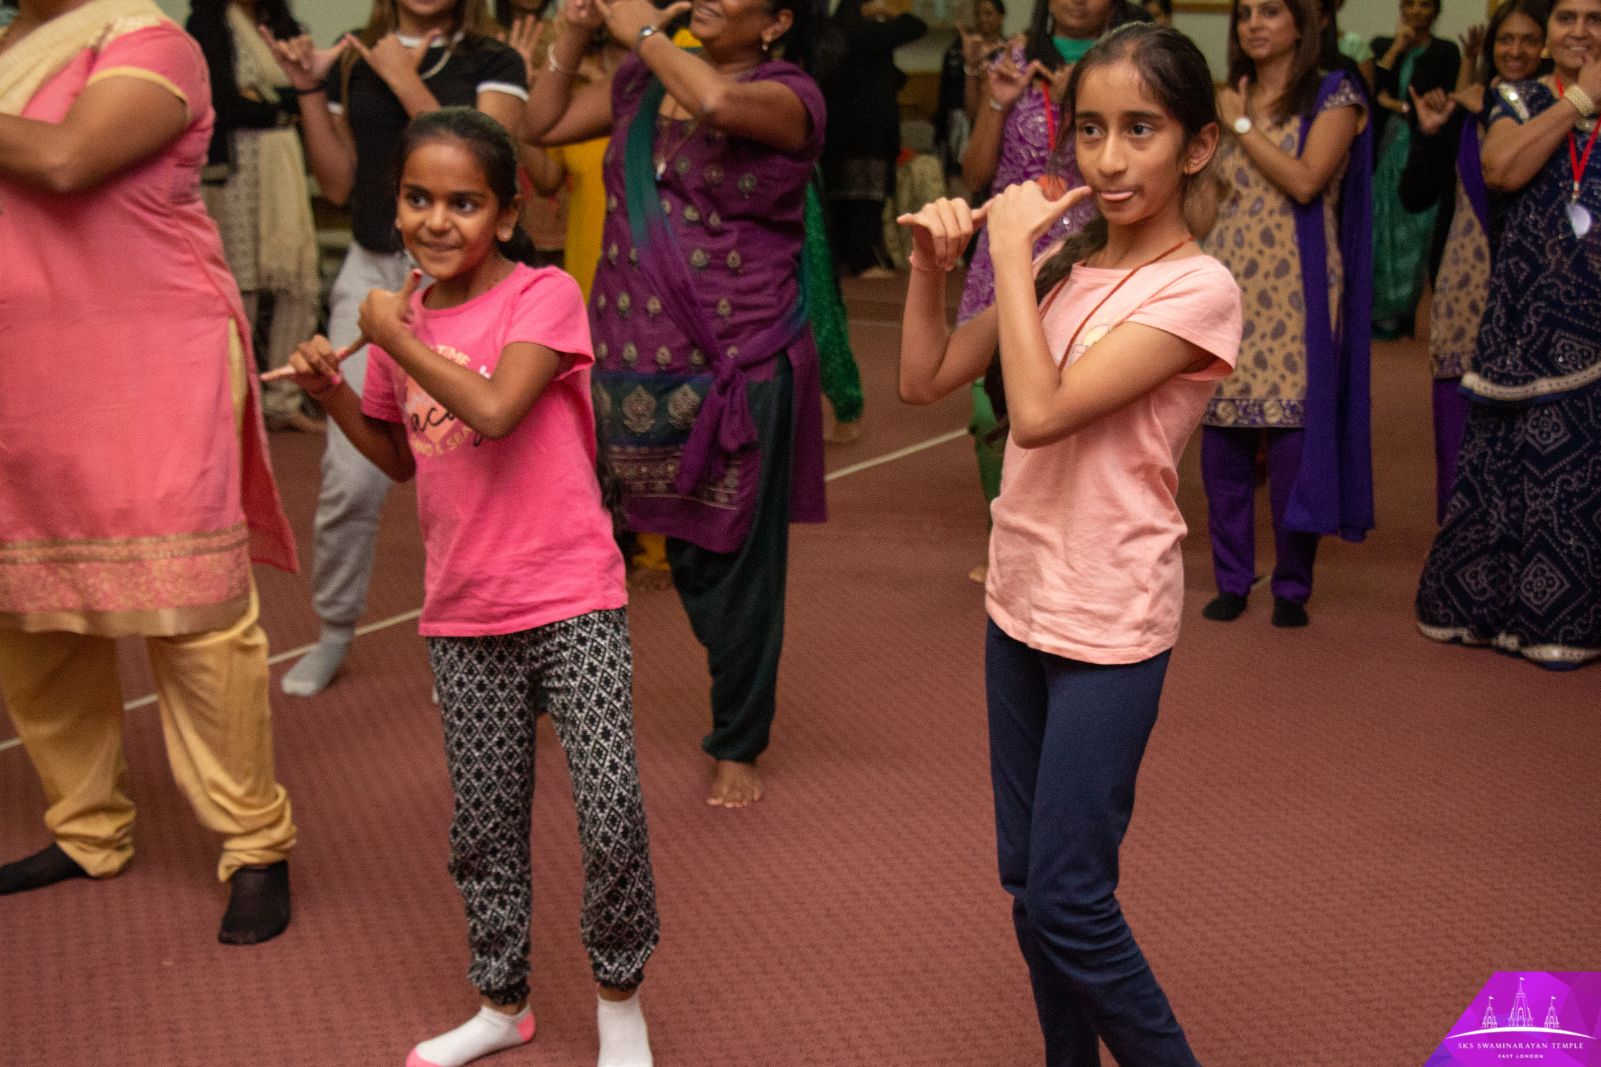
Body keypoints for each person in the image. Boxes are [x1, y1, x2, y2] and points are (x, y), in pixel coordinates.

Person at [270, 108, 660, 1066]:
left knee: (610, 809)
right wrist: (331, 395)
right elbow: (401, 460)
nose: (436, 221)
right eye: (417, 198)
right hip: (463, 607)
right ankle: (502, 1002)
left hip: (571, 595)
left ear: (506, 207)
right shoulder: (405, 321)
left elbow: (490, 408)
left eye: (464, 202)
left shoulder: (543, 294)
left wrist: (390, 335)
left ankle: (620, 1003)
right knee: (484, 823)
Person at [897, 25, 1239, 1063]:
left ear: (1195, 146)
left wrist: (1006, 247)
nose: (1106, 158)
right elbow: (923, 378)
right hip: (1019, 602)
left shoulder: (1197, 289)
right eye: (1089, 129)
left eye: (1140, 129)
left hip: (1108, 623)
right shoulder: (1064, 271)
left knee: (1071, 898)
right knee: (1026, 883)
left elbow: (1037, 415)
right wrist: (930, 264)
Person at [0, 0, 299, 944]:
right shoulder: (8, 51)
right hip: (25, 360)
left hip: (152, 354)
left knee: (197, 613)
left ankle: (254, 843)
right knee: (34, 610)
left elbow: (64, 160)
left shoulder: (150, 41)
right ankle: (86, 829)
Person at [525, 0, 826, 808]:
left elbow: (719, 104)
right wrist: (574, 33)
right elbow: (543, 123)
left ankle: (738, 738)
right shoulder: (639, 80)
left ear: (776, 21)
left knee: (728, 569)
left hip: (737, 365)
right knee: (570, 535)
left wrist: (645, 33)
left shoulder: (791, 94)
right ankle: (545, 684)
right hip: (621, 363)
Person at [261, 0, 529, 698]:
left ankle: (471, 641)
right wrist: (312, 87)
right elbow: (338, 183)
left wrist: (404, 78)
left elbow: (494, 164)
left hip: (472, 284)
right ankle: (334, 629)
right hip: (375, 270)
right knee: (350, 479)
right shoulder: (355, 57)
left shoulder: (491, 62)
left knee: (469, 470)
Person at [1415, 0, 1601, 669]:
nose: (1578, 30)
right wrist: (1581, 96)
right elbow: (1501, 170)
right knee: (1527, 469)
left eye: (1594, 17)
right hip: (1531, 320)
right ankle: (1513, 615)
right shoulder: (1516, 96)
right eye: (1566, 17)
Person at [1200, 0, 1373, 628]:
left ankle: (1292, 587)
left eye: (1271, 10)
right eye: (1244, 12)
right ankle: (1232, 580)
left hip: (1298, 289)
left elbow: (1305, 182)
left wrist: (1241, 126)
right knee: (1223, 442)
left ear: (1303, 23)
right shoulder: (1220, 99)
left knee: (1296, 442)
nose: (1254, 23)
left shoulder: (1335, 93)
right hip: (1225, 284)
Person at [957, 0, 1140, 583]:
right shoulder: (1013, 56)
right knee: (991, 405)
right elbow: (974, 173)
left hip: (1090, 247)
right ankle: (1004, 540)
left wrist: (1075, 109)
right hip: (1009, 252)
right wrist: (994, 99)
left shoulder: (1129, 58)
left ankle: (1074, 548)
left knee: (1074, 408)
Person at [1402, 0, 1546, 521]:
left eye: (1529, 40)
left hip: (1536, 294)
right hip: (1464, 294)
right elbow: (1414, 195)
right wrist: (1431, 132)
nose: (1516, 51)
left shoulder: (1558, 115)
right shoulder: (1465, 111)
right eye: (1505, 40)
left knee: (1531, 439)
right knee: (1458, 435)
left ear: (1547, 46)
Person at [188, 0, 324, 434]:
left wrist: (269, 101)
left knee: (298, 283)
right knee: (239, 285)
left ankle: (283, 400)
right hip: (237, 169)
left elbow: (311, 92)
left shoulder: (283, 24)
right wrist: (283, 105)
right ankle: (235, 402)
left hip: (283, 162)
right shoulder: (208, 22)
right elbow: (223, 103)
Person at [1369, 0, 1459, 338]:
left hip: (1425, 147)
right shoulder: (1381, 46)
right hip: (1388, 146)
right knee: (1381, 227)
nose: (1418, 12)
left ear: (1435, 12)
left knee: (1416, 230)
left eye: (1425, 5)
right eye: (1411, 4)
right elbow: (1372, 91)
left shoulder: (1445, 51)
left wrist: (1397, 105)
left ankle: (1402, 312)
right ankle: (1378, 313)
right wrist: (1397, 48)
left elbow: (1447, 97)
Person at [819, 0, 926, 278]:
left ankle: (845, 259)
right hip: (869, 130)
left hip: (837, 131)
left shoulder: (833, 29)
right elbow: (916, 27)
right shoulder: (869, 32)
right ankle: (862, 262)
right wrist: (890, 12)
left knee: (841, 199)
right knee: (868, 200)